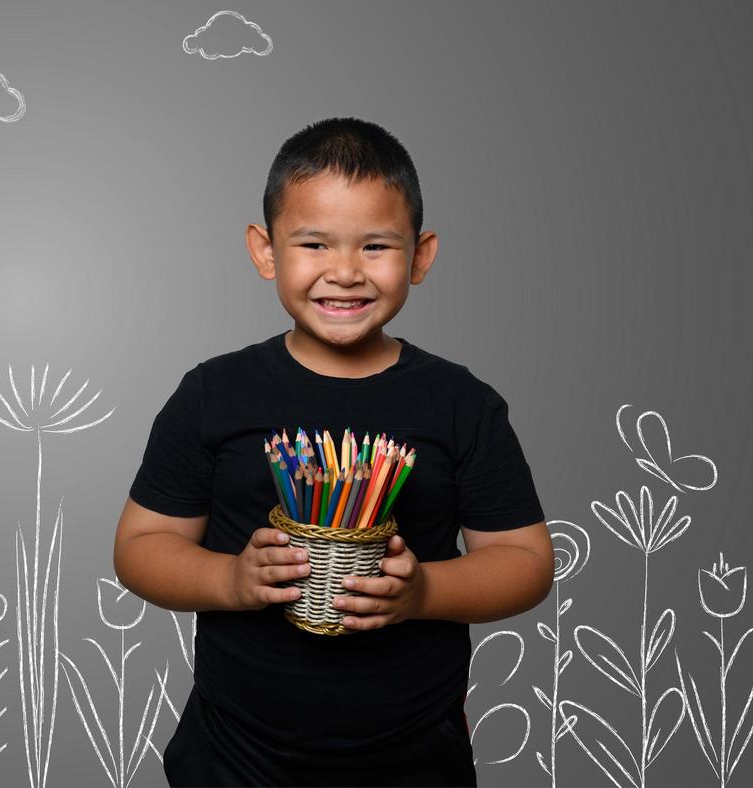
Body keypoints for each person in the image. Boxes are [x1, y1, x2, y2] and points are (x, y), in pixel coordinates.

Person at [113, 117, 553, 787]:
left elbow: (525, 562)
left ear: (421, 256)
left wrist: (426, 590)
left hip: (413, 761)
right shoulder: (214, 393)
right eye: (313, 243)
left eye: (376, 246)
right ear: (265, 251)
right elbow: (141, 546)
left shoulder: (462, 404)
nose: (345, 272)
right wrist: (230, 581)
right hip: (234, 761)